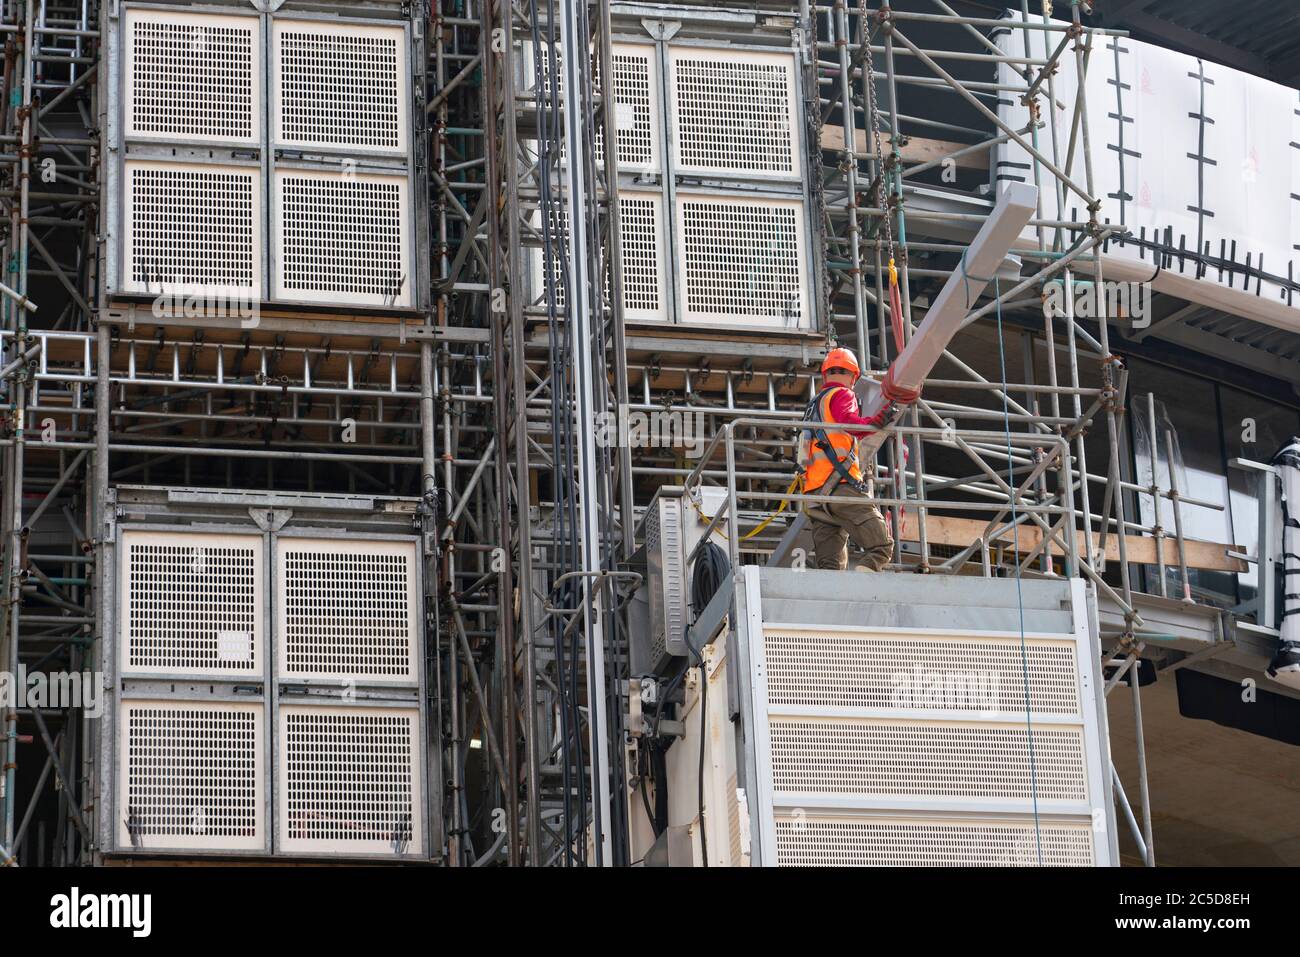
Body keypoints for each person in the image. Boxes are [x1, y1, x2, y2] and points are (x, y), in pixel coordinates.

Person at [798, 347, 902, 571]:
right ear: (853, 376)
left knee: (829, 567)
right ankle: (862, 593)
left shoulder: (814, 405)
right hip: (842, 488)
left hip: (815, 496)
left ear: (825, 374)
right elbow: (850, 423)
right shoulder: (843, 394)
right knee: (881, 547)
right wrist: (877, 422)